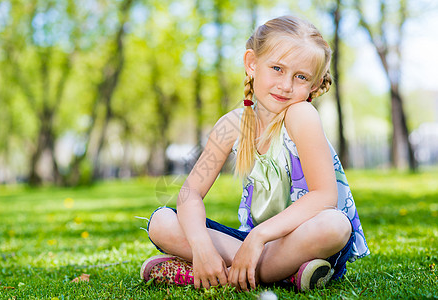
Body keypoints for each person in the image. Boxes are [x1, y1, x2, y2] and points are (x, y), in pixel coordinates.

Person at [140, 15, 369, 292]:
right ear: (252, 64)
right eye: (277, 68)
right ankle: (283, 275)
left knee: (334, 225)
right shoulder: (230, 126)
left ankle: (214, 276)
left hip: (304, 239)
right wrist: (201, 247)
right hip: (250, 243)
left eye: (301, 77)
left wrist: (258, 237)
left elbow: (324, 197)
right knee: (162, 222)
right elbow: (190, 194)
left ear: (314, 84)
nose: (286, 85)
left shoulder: (301, 115)